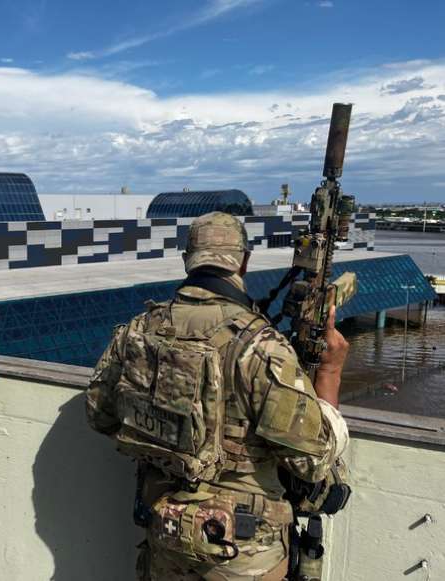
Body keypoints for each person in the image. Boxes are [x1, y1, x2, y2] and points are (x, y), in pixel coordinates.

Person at [85, 212, 350, 581]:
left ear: (187, 260)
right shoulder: (261, 346)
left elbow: (100, 415)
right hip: (242, 553)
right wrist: (331, 370)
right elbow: (312, 462)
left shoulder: (139, 330)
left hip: (166, 533)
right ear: (243, 261)